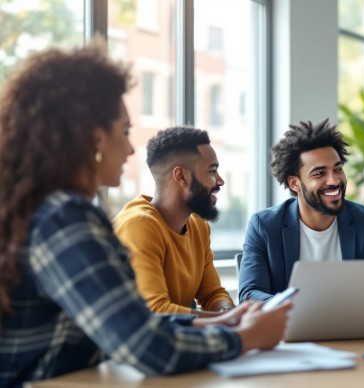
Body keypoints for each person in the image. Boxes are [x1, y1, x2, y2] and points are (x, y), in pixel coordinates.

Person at [0, 42, 290, 386]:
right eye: (123, 132)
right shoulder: (65, 218)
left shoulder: (40, 210)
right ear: (94, 139)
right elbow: (145, 345)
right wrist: (245, 339)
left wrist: (224, 321)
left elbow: (135, 322)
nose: (130, 148)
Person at [238, 119, 364, 316]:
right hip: (293, 337)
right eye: (319, 174)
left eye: (338, 169)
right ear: (295, 183)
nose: (334, 180)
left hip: (353, 336)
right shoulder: (265, 226)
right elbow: (249, 295)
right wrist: (303, 307)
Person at [114, 127, 235, 316]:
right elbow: (156, 310)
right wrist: (231, 320)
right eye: (212, 171)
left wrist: (228, 311)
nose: (220, 181)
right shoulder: (138, 225)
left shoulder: (199, 226)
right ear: (181, 176)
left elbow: (212, 294)